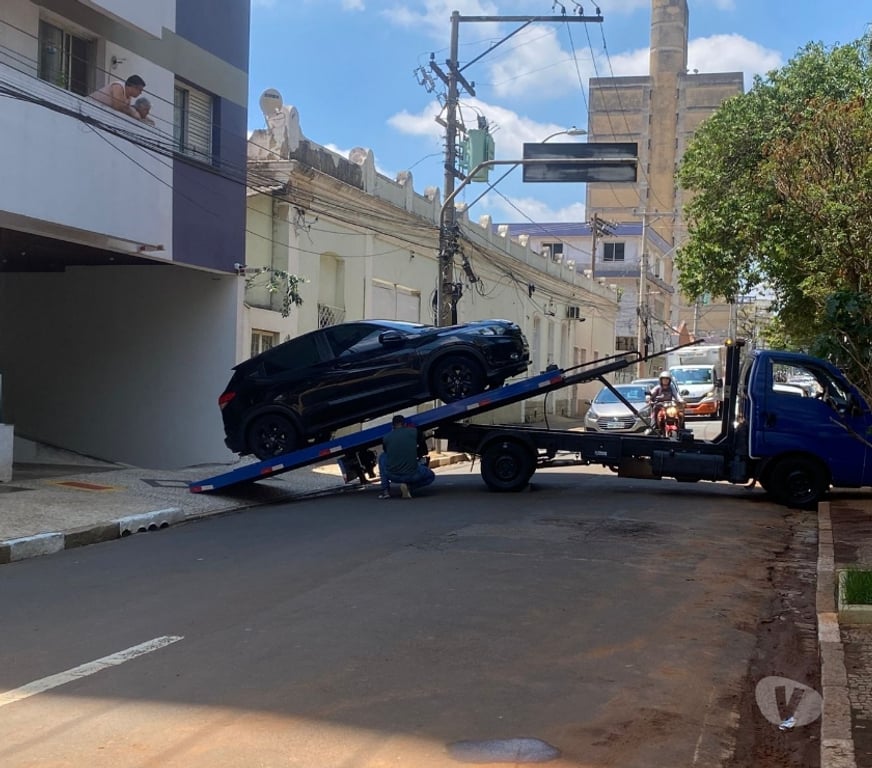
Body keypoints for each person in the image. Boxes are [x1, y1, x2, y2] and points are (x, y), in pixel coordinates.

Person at [378, 414, 435, 499]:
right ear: (405, 424)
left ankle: (385, 491)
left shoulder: (386, 437)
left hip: (393, 476)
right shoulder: (414, 432)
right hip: (413, 475)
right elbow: (422, 443)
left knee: (382, 457)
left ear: (392, 426)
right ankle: (409, 488)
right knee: (431, 476)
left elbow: (387, 451)